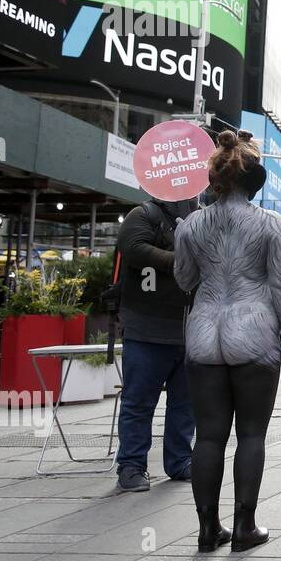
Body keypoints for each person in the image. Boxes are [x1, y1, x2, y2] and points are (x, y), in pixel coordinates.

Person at [173, 131, 281, 552]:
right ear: (253, 180)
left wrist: (181, 239)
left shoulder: (190, 225)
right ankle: (245, 527)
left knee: (207, 437)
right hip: (255, 333)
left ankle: (208, 530)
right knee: (251, 435)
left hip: (204, 333)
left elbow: (185, 280)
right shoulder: (269, 223)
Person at [113, 193, 198, 493]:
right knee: (138, 402)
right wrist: (179, 259)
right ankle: (132, 465)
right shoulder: (144, 214)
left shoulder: (200, 217)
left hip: (189, 329)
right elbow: (133, 248)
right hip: (146, 328)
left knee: (185, 403)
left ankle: (180, 461)